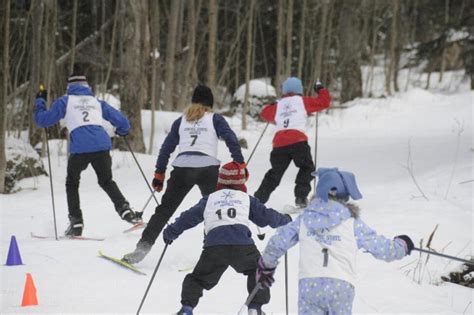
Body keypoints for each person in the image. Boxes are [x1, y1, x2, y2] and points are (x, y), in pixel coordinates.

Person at [256, 167, 414, 315]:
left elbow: (278, 241)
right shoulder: (352, 223)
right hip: (341, 286)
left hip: (309, 285)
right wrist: (401, 246)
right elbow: (382, 248)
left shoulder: (304, 220)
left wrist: (266, 267)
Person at [123, 85, 245, 263]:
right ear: (210, 104)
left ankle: (141, 248)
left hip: (182, 169)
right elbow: (231, 140)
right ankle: (217, 250)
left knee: (164, 211)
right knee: (215, 209)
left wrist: (159, 173)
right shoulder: (215, 119)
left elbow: (166, 148)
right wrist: (239, 164)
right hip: (208, 168)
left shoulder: (181, 121)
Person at [161, 161, 292, 315]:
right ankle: (255, 308)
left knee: (197, 279)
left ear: (220, 180)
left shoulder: (209, 199)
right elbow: (266, 217)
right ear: (241, 181)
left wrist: (171, 232)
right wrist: (285, 220)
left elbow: (188, 217)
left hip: (214, 249)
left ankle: (187, 308)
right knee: (258, 270)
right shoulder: (246, 199)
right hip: (243, 247)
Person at [34, 66, 139, 236]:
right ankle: (125, 209)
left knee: (72, 183)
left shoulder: (65, 101)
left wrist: (40, 101)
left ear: (70, 86)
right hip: (102, 145)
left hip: (81, 147)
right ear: (86, 86)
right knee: (106, 181)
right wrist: (122, 130)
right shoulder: (96, 102)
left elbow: (43, 121)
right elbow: (122, 121)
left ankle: (76, 222)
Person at [254, 77, 331, 208]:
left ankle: (257, 200)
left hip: (279, 144)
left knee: (275, 173)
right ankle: (301, 197)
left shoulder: (279, 105)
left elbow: (265, 114)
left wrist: (274, 104)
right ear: (299, 90)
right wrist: (320, 89)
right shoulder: (302, 101)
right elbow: (324, 102)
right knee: (307, 168)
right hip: (298, 142)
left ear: (284, 91)